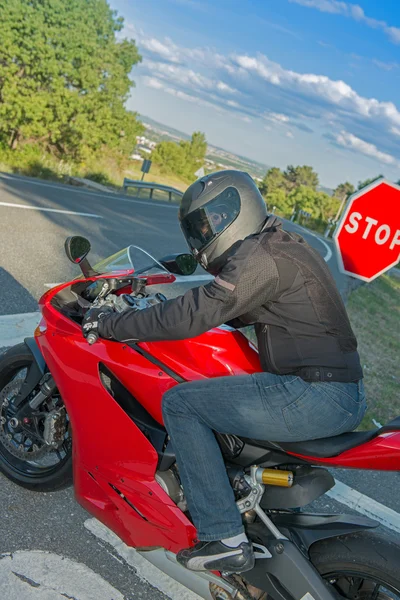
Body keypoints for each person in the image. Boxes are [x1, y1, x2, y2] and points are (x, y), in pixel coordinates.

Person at [82, 170, 366, 575]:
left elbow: (196, 312)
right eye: (200, 227)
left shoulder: (259, 257)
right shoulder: (278, 246)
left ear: (241, 208)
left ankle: (223, 536)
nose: (206, 233)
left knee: (182, 405)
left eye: (213, 221)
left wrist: (112, 325)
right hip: (332, 389)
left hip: (315, 394)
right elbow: (235, 308)